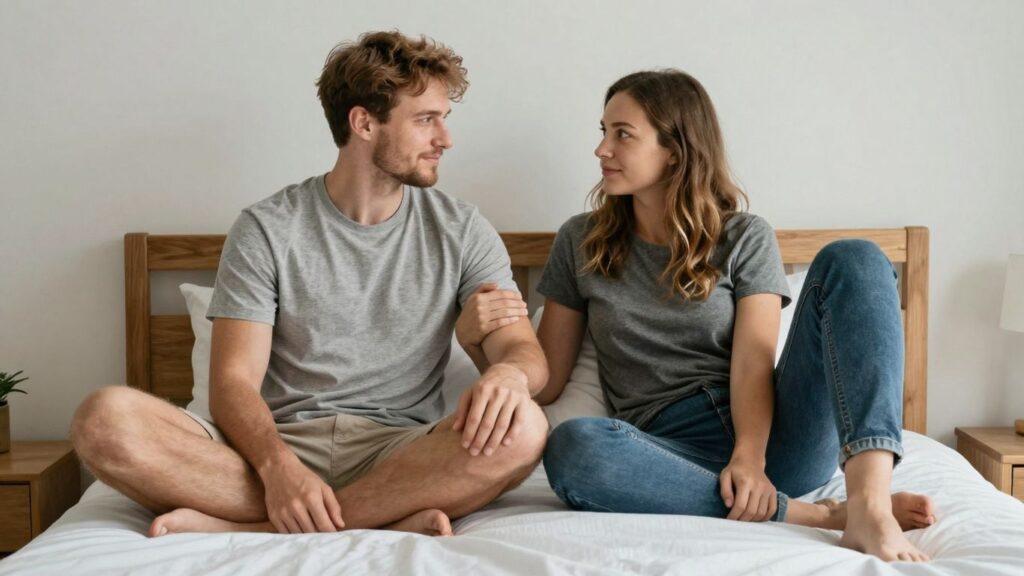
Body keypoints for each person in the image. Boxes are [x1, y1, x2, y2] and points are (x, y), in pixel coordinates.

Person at [71, 30, 549, 538]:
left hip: (400, 454)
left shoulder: (464, 231)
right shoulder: (267, 228)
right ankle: (369, 514)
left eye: (444, 120)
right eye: (426, 119)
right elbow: (232, 383)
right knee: (102, 420)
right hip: (266, 451)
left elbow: (524, 353)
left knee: (526, 428)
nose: (445, 139)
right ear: (364, 122)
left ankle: (250, 528)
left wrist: (511, 376)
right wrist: (279, 469)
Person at [456, 70, 936, 562]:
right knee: (573, 447)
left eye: (622, 134)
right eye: (602, 131)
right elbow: (549, 382)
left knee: (855, 256)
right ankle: (822, 516)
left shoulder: (743, 236)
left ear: (675, 150)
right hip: (665, 454)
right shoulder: (579, 242)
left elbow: (753, 360)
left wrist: (749, 458)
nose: (602, 149)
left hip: (777, 442)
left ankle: (870, 504)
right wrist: (476, 344)